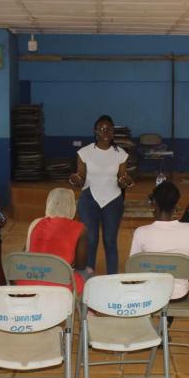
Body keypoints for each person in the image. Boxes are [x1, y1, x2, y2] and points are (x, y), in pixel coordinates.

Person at [69, 115, 133, 275]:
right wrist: (75, 179)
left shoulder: (121, 154)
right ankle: (88, 279)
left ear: (113, 132)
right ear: (95, 131)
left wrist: (125, 182)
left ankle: (112, 279)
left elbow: (121, 180)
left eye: (109, 129)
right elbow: (81, 178)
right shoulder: (85, 152)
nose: (106, 131)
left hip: (113, 201)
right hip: (89, 201)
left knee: (110, 241)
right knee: (90, 240)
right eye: (102, 129)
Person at [129, 181, 189, 300]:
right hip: (178, 294)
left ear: (154, 203)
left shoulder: (141, 232)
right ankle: (167, 317)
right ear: (176, 205)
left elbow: (133, 268)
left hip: (149, 294)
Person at [23, 188, 87, 294]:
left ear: (49, 203)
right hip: (60, 286)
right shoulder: (80, 229)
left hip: (28, 281)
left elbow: (25, 254)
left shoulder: (35, 223)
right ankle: (83, 309)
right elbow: (80, 266)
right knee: (87, 274)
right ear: (72, 206)